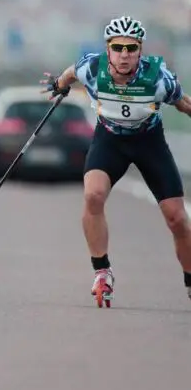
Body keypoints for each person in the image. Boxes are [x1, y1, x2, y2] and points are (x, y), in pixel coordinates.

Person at [43, 15, 191, 306]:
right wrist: (58, 85)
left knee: (177, 219)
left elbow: (184, 104)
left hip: (149, 143)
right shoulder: (93, 67)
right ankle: (102, 272)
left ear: (140, 50)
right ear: (108, 49)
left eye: (131, 48)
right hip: (109, 141)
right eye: (118, 47)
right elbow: (70, 74)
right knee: (93, 195)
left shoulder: (158, 79)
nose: (125, 55)